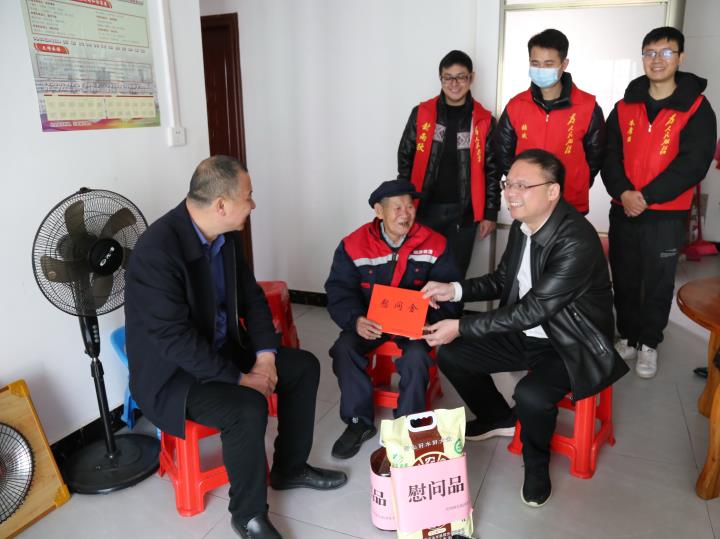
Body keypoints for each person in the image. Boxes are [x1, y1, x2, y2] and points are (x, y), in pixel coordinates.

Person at [125, 156, 347, 539]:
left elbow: (252, 298)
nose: (253, 204)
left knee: (303, 367)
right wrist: (241, 379)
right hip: (174, 376)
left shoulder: (225, 236)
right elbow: (175, 341)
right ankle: (247, 515)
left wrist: (266, 358)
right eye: (248, 197)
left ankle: (290, 469)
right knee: (246, 407)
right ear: (221, 205)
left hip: (220, 350)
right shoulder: (156, 252)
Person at [421, 149, 628, 507]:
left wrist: (462, 324)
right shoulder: (523, 226)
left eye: (522, 185)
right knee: (452, 354)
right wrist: (453, 289)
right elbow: (503, 279)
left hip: (570, 341)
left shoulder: (575, 239)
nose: (510, 193)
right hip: (527, 331)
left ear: (553, 191)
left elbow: (533, 310)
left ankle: (536, 464)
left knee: (531, 395)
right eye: (508, 184)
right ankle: (497, 417)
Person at [602, 26, 716, 378]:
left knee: (658, 281)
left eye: (666, 52)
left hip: (666, 214)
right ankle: (628, 337)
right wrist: (624, 193)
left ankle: (649, 342)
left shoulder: (697, 107)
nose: (657, 59)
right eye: (650, 52)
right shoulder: (624, 106)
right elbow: (609, 155)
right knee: (624, 277)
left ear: (680, 58)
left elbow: (693, 164)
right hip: (623, 208)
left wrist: (647, 197)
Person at [325, 179, 461, 459]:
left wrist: (431, 323)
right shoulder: (353, 245)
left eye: (410, 207)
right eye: (397, 208)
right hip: (370, 322)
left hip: (415, 324)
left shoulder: (436, 244)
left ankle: (406, 429)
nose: (405, 214)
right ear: (379, 211)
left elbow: (451, 293)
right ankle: (358, 422)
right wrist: (356, 320)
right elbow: (339, 290)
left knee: (416, 358)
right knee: (344, 349)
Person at [397, 50, 500, 278]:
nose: (454, 84)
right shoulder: (422, 113)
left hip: (464, 213)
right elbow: (405, 159)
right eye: (448, 78)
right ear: (440, 78)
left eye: (461, 77)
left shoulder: (484, 120)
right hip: (424, 208)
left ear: (471, 78)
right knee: (418, 272)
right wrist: (403, 203)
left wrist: (490, 213)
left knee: (455, 274)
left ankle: (451, 304)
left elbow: (492, 171)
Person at [494, 28, 606, 214]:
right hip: (527, 201)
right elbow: (503, 152)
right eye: (535, 63)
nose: (541, 70)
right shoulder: (516, 105)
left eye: (548, 64)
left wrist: (577, 180)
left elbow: (596, 156)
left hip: (570, 200)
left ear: (564, 64)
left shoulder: (588, 106)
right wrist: (521, 183)